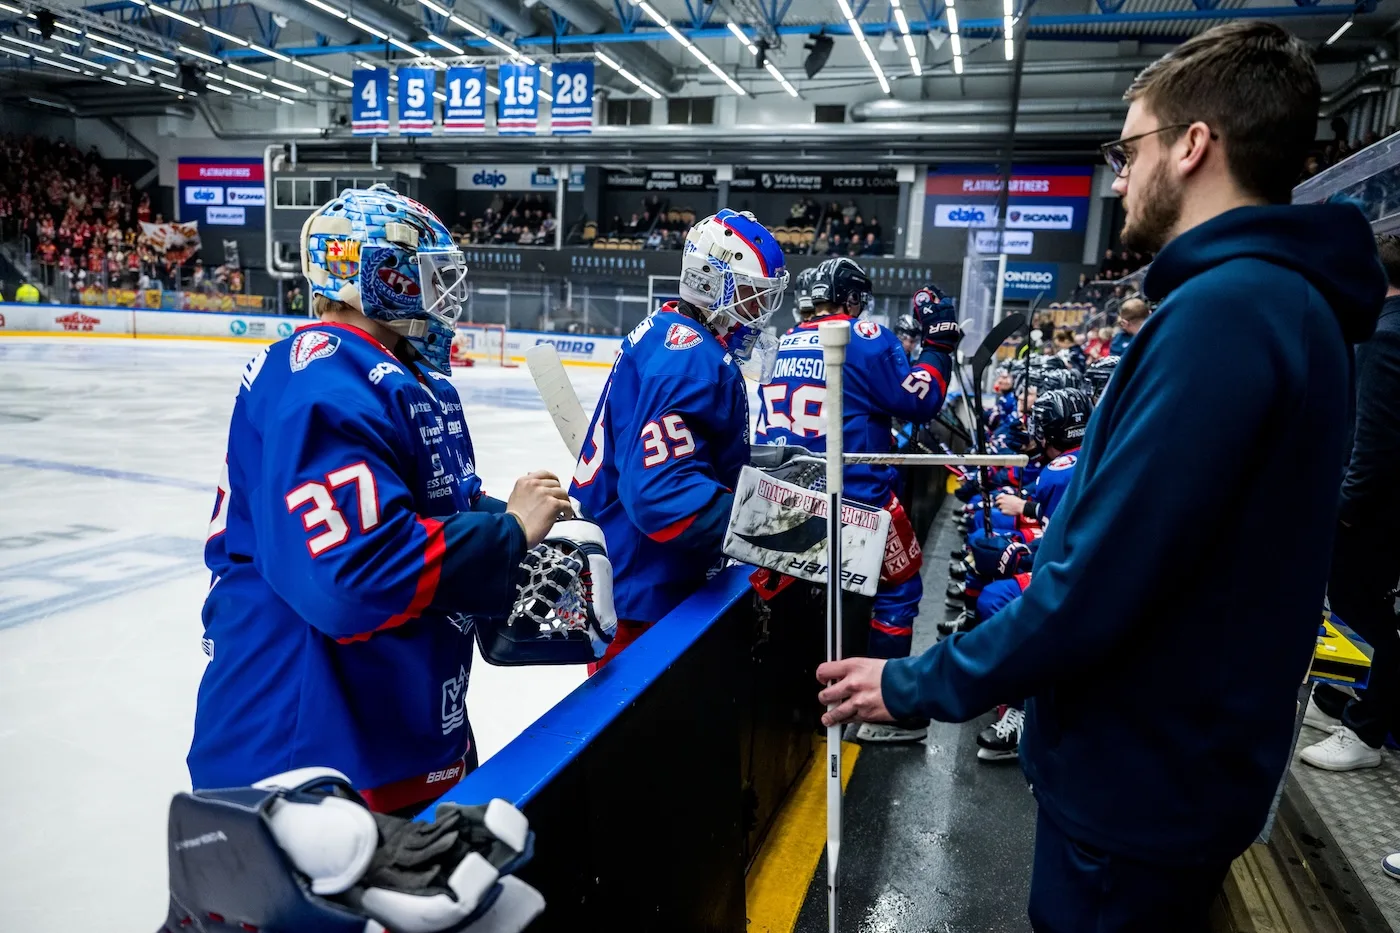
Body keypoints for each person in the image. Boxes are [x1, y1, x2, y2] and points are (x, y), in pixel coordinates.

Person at [815, 22, 1384, 931]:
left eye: (1130, 147)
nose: (1119, 174)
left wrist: (912, 683)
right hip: (1177, 771)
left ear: (1195, 145)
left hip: (1142, 788)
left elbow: (1098, 584)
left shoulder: (1228, 314)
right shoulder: (1276, 304)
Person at [187, 185, 586, 816]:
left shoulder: (396, 376)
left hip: (392, 724)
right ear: (379, 277)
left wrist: (497, 518)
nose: (443, 296)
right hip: (306, 759)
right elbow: (351, 574)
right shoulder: (321, 374)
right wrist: (505, 533)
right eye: (427, 277)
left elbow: (417, 507)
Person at [570, 209, 788, 671]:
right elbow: (660, 494)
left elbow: (679, 450)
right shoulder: (689, 359)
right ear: (711, 282)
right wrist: (773, 525)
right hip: (644, 594)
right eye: (750, 296)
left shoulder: (668, 333)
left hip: (633, 575)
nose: (759, 313)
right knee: (643, 740)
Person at [757, 267, 961, 742]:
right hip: (855, 504)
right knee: (902, 589)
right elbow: (921, 399)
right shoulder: (864, 335)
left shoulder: (785, 340)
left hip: (784, 500)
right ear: (851, 299)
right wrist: (939, 345)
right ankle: (886, 713)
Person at [1300, 233, 1400, 771]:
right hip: (1377, 509)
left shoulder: (1386, 336)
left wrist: (1340, 509)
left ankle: (1365, 732)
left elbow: (1375, 443)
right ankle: (1345, 703)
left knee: (1368, 617)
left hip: (1373, 515)